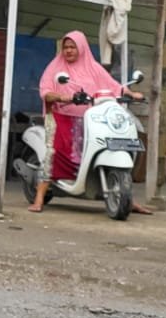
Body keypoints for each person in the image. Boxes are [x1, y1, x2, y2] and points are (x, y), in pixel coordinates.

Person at [31, 30, 153, 215]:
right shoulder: (55, 68)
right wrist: (65, 96)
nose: (69, 51)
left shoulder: (93, 67)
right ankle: (39, 198)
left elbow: (112, 86)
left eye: (73, 47)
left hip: (90, 119)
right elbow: (46, 92)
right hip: (60, 116)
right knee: (53, 151)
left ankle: (128, 199)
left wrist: (130, 93)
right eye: (66, 47)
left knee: (111, 144)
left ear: (82, 48)